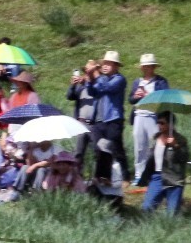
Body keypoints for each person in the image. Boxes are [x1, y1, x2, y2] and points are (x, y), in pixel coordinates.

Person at [87, 50, 128, 187]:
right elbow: (92, 91)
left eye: (109, 64)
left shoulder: (119, 79)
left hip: (113, 119)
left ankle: (125, 176)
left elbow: (107, 88)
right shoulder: (101, 78)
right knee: (99, 149)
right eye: (104, 63)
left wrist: (97, 74)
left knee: (116, 148)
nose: (105, 66)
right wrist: (89, 76)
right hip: (99, 120)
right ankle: (102, 177)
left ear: (116, 66)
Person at [138, 112, 189, 216]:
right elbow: (151, 159)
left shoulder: (180, 140)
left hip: (174, 178)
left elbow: (184, 158)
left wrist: (175, 146)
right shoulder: (156, 138)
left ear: (170, 124)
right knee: (147, 208)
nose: (159, 126)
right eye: (158, 123)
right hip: (157, 177)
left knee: (172, 213)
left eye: (162, 123)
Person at [129, 53, 169, 184]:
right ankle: (139, 174)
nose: (146, 69)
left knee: (156, 145)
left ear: (153, 67)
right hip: (139, 115)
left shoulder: (160, 81)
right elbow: (130, 100)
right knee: (139, 147)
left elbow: (164, 98)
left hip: (153, 116)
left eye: (149, 66)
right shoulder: (137, 82)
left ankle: (157, 173)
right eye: (144, 66)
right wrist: (136, 96)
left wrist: (148, 95)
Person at [66, 60, 99, 174]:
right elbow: (70, 96)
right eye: (85, 72)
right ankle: (77, 176)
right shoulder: (81, 87)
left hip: (94, 124)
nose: (86, 74)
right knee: (78, 153)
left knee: (97, 151)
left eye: (89, 72)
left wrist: (89, 82)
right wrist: (73, 85)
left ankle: (97, 176)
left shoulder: (98, 86)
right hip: (81, 123)